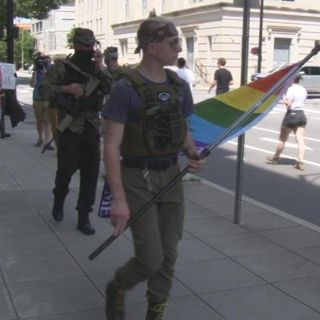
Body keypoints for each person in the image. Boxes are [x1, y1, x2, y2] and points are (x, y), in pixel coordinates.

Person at [102, 16, 206, 320]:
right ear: (152, 47)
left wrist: (191, 151)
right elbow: (110, 146)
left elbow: (182, 125)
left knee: (169, 254)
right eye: (172, 42)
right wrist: (119, 198)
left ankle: (156, 309)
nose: (178, 47)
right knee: (150, 259)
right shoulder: (125, 88)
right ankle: (118, 286)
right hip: (136, 176)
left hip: (170, 173)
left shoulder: (177, 85)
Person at [40, 28, 112, 235]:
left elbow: (109, 87)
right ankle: (59, 199)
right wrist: (66, 89)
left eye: (91, 44)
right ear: (76, 44)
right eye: (84, 44)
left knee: (90, 176)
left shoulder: (96, 67)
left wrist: (100, 65)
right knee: (65, 172)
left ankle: (84, 217)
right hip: (70, 126)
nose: (88, 48)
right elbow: (44, 89)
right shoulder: (62, 66)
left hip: (90, 127)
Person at [266, 74, 307, 171]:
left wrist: (283, 98)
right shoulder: (303, 89)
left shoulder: (290, 89)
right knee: (300, 139)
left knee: (282, 139)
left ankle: (275, 157)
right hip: (301, 114)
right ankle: (301, 161)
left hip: (291, 115)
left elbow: (288, 104)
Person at [30, 54, 54, 149]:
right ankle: (40, 138)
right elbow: (32, 84)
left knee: (48, 121)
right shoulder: (37, 71)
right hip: (38, 99)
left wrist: (47, 72)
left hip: (48, 99)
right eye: (44, 62)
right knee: (39, 121)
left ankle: (48, 142)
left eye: (47, 62)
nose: (46, 64)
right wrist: (35, 72)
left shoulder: (52, 71)